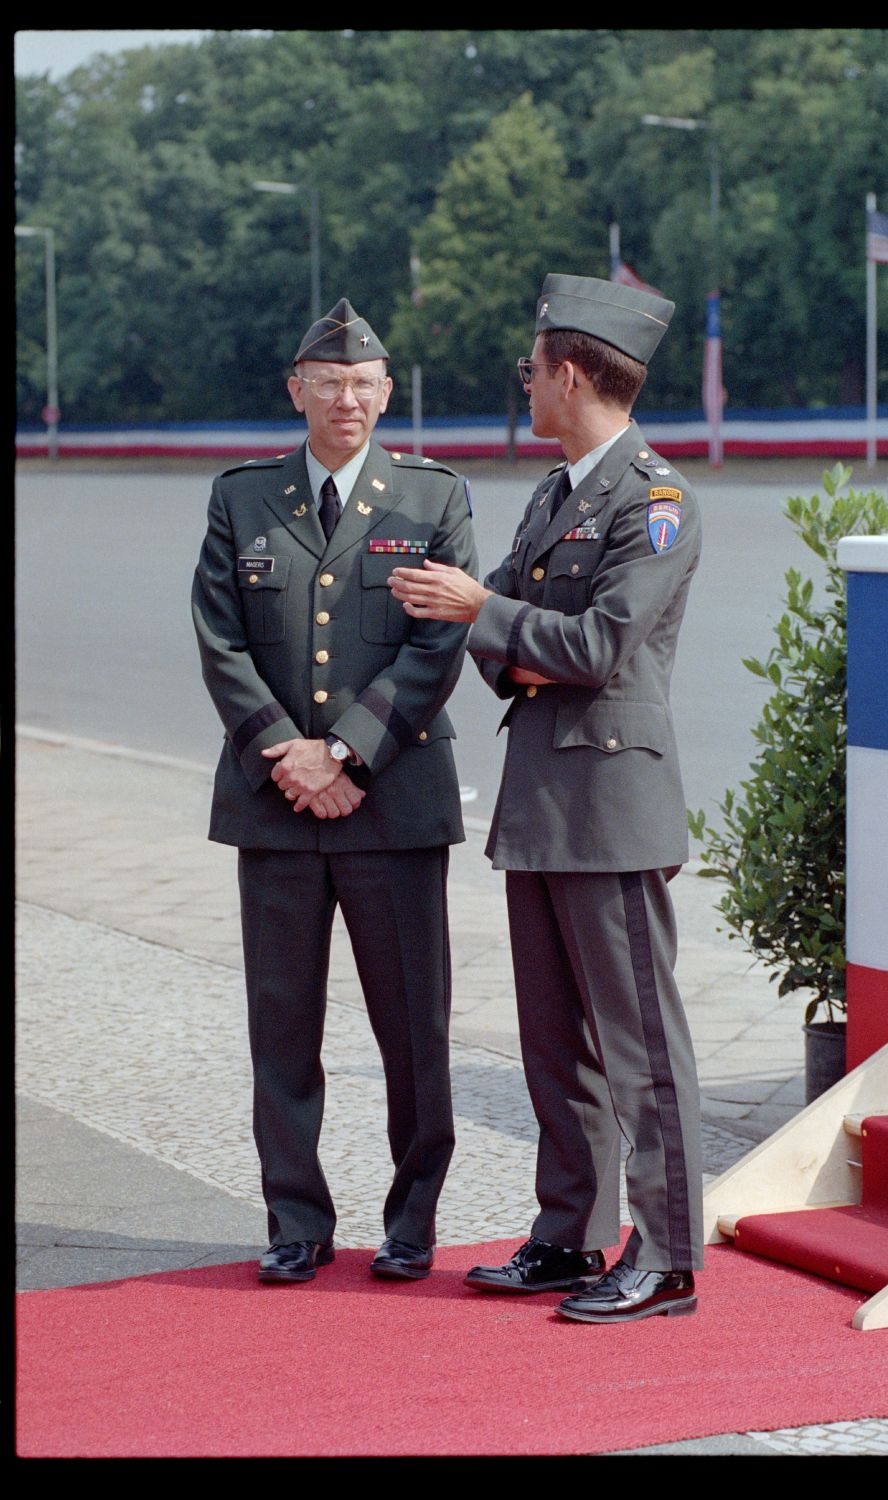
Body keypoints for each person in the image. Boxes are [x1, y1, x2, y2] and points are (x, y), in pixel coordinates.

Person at [389, 273, 703, 1324]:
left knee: (638, 1044)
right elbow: (526, 652)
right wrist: (509, 632)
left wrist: (490, 612)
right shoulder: (554, 494)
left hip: (611, 802)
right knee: (553, 1040)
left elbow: (599, 646)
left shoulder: (655, 500)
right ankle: (567, 1235)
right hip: (545, 800)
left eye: (531, 370)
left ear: (569, 371)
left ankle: (664, 1256)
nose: (525, 386)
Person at [192, 298, 477, 1284]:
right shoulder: (242, 499)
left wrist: (346, 754)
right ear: (297, 391)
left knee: (413, 1029)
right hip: (276, 807)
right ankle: (296, 1223)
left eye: (364, 384)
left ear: (387, 394)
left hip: (392, 806)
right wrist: (289, 754)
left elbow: (438, 647)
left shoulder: (433, 501)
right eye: (329, 382)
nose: (346, 399)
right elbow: (221, 641)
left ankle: (412, 1222)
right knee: (281, 1028)